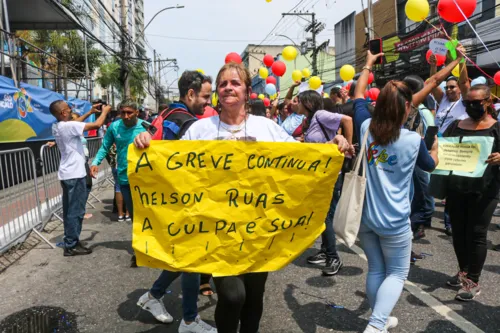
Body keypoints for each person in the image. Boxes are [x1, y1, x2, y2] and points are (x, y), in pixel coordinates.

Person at [134, 62, 352, 333]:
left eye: (235, 83)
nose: (228, 88)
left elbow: (301, 158)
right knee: (232, 295)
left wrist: (333, 147)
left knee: (254, 298)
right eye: (223, 84)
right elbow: (171, 165)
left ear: (247, 90)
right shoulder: (200, 130)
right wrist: (145, 142)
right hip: (216, 233)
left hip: (258, 233)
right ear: (217, 92)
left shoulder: (267, 128)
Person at [353, 51, 438, 333]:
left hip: (366, 219)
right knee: (398, 272)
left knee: (377, 269)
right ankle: (376, 326)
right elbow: (430, 165)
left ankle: (381, 319)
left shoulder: (366, 127)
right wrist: (437, 148)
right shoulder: (413, 140)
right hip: (395, 221)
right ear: (405, 109)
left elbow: (358, 95)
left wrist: (367, 64)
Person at [135, 70, 217, 333]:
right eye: (206, 96)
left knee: (184, 259)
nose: (208, 102)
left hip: (166, 201)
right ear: (191, 94)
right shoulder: (187, 123)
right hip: (182, 202)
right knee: (191, 260)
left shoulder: (165, 115)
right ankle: (190, 320)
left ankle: (153, 296)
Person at [443, 84, 500, 301]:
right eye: (467, 103)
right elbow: (442, 146)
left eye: (476, 103)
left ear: (487, 102)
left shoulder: (496, 127)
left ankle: (472, 281)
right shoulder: (457, 125)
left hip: (485, 190)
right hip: (457, 188)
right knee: (459, 232)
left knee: (476, 233)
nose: (471, 107)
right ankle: (464, 271)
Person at [297, 90, 353, 276]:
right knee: (320, 214)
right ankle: (324, 250)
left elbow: (347, 120)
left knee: (325, 217)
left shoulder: (321, 114)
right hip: (319, 174)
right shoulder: (310, 120)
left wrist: (348, 146)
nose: (296, 104)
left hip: (331, 174)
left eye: (299, 101)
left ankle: (333, 257)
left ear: (308, 103)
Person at [49, 101, 110, 256]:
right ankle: (71, 244)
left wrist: (89, 113)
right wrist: (105, 112)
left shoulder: (59, 126)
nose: (72, 109)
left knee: (71, 210)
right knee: (76, 211)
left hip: (68, 174)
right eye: (69, 108)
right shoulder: (68, 126)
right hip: (75, 175)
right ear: (63, 112)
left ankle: (72, 240)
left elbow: (75, 122)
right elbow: (96, 125)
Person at [90, 100, 146, 266]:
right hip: (124, 178)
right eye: (123, 113)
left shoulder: (147, 126)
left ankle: (153, 247)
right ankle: (139, 251)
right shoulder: (114, 127)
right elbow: (105, 146)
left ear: (137, 112)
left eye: (130, 112)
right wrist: (96, 162)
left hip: (145, 179)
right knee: (136, 216)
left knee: (148, 215)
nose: (126, 116)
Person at [430, 52, 470, 237]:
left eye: (453, 87)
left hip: (457, 149)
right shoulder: (443, 100)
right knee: (444, 187)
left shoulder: (464, 102)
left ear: (459, 89)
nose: (449, 90)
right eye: (448, 88)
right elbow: (433, 84)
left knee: (455, 187)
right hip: (440, 148)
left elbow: (464, 82)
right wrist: (433, 65)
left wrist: (461, 61)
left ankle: (450, 223)